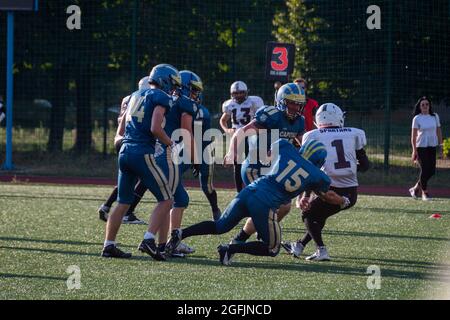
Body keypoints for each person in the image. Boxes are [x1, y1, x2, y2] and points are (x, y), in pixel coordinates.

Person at [164, 139, 351, 265]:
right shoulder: (318, 175)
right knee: (273, 248)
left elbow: (269, 154)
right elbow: (328, 197)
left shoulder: (286, 147)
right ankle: (229, 249)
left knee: (220, 225)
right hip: (265, 203)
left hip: (251, 190)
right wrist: (343, 200)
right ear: (319, 161)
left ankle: (180, 233)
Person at [101, 64, 181, 259]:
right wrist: (170, 143)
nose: (173, 88)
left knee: (123, 201)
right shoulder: (160, 97)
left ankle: (108, 245)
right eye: (172, 83)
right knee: (167, 198)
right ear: (164, 80)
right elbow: (155, 127)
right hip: (141, 151)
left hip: (125, 150)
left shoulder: (135, 95)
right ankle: (148, 239)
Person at [282, 103, 370, 261]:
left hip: (326, 188)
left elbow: (310, 168)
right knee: (318, 216)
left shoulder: (313, 135)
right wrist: (349, 166)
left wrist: (306, 194)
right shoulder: (354, 133)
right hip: (350, 191)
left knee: (308, 214)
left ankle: (321, 250)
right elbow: (365, 166)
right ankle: (299, 246)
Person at [228, 82, 306, 244]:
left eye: (298, 104)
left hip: (274, 169)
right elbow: (241, 132)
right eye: (291, 103)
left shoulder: (299, 121)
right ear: (281, 101)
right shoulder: (271, 115)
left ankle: (252, 235)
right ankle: (248, 236)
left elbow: (303, 146)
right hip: (255, 167)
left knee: (284, 207)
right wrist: (232, 152)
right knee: (265, 207)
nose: (295, 108)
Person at [97, 77, 150, 225]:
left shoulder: (130, 97)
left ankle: (107, 205)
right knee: (144, 179)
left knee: (128, 178)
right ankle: (128, 212)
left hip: (121, 138)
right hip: (133, 141)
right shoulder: (146, 98)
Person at [220, 81, 264, 193]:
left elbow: (261, 118)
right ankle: (239, 191)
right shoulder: (229, 104)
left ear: (246, 92)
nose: (239, 95)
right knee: (237, 164)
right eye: (236, 93)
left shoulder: (254, 102)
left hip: (252, 135)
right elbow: (223, 120)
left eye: (241, 92)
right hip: (238, 136)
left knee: (255, 162)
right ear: (231, 93)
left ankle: (256, 187)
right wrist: (227, 130)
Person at [409, 96, 443, 201]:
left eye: (427, 104)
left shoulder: (435, 116)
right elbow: (413, 136)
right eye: (423, 104)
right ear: (420, 106)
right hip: (421, 147)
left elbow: (438, 131)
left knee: (431, 171)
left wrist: (441, 145)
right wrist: (414, 150)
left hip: (432, 146)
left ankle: (415, 188)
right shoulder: (417, 118)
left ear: (429, 106)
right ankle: (425, 192)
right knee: (425, 169)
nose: (425, 106)